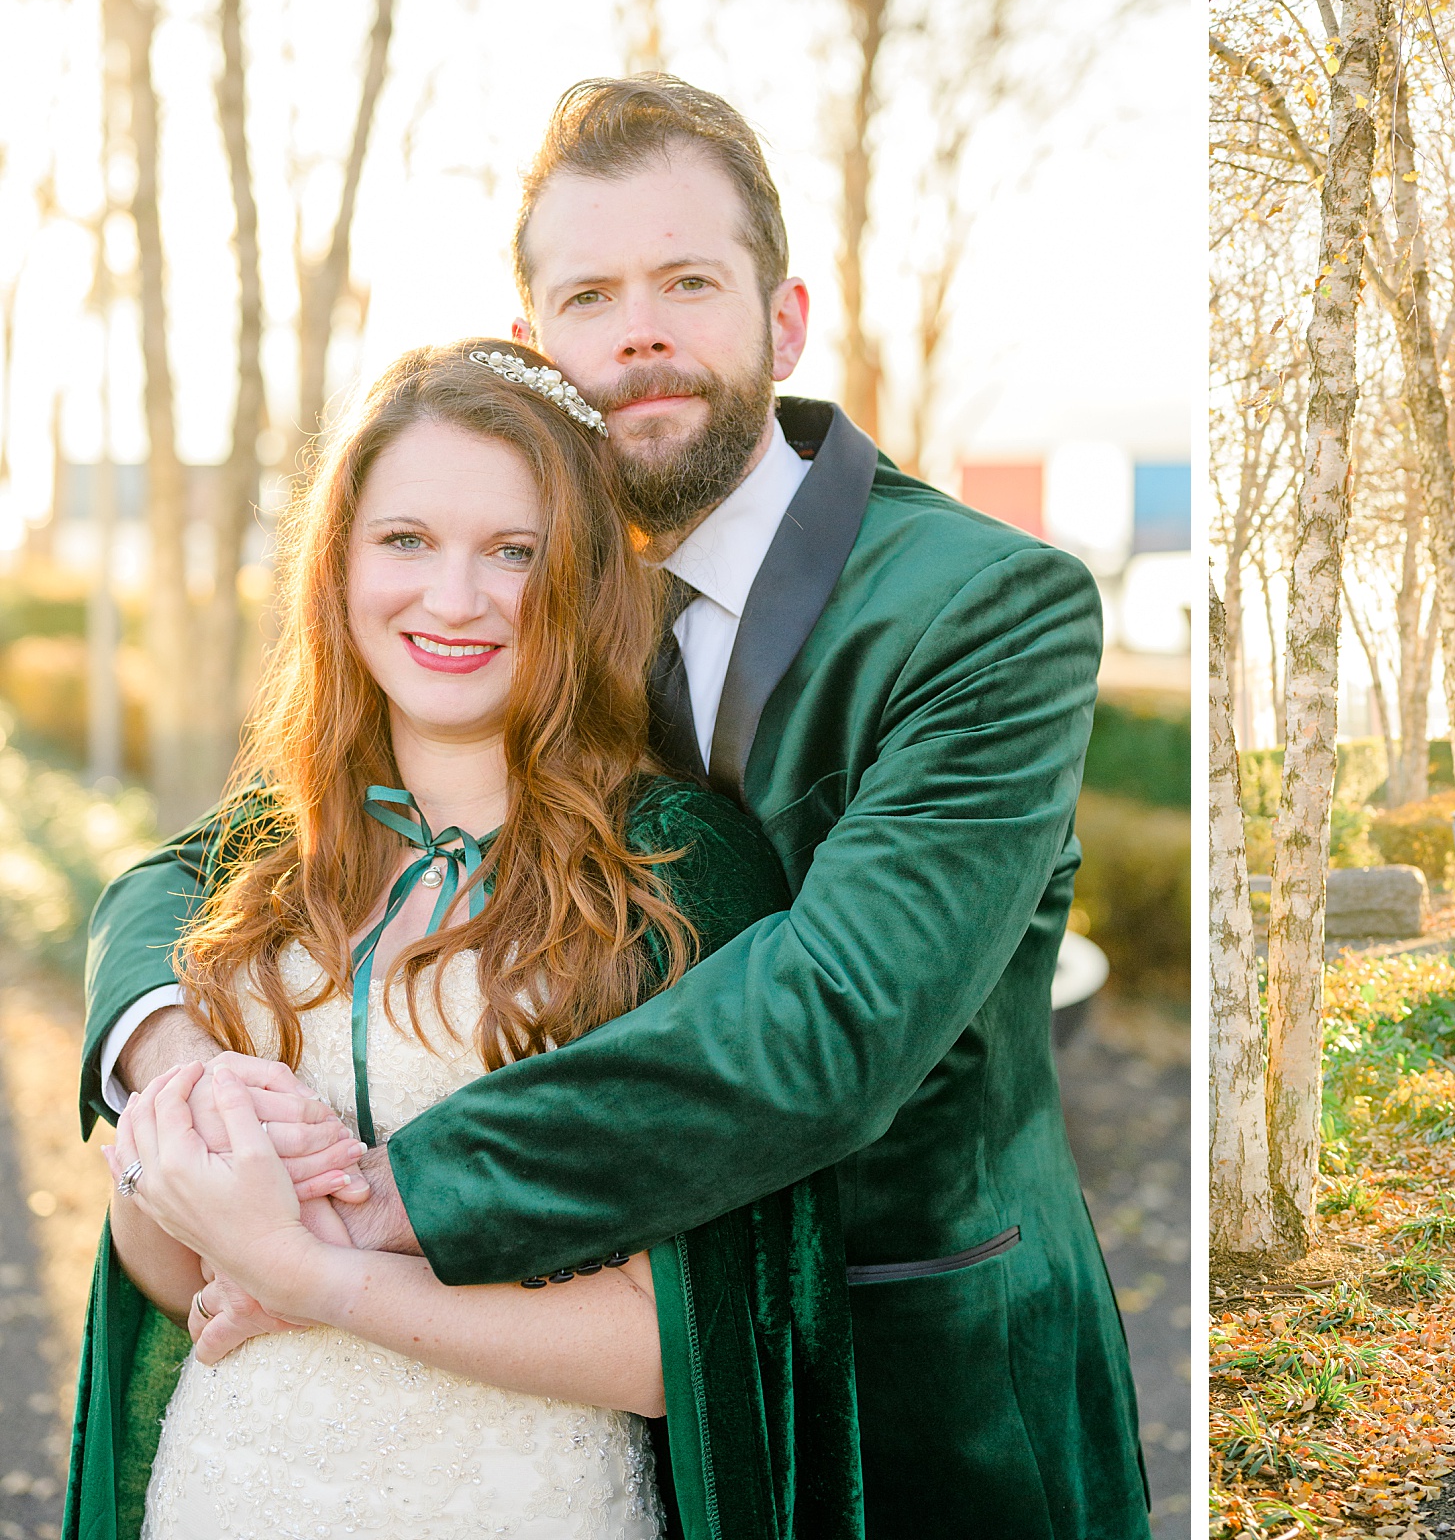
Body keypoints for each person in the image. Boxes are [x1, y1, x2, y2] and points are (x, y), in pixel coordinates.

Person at [79, 77, 1147, 1535]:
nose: (640, 331)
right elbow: (233, 855)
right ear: (542, 349)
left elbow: (831, 1017)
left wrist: (370, 1212)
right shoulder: (527, 592)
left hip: (917, 1384)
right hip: (557, 1408)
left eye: (687, 282)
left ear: (783, 318)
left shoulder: (984, 609)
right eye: (591, 294)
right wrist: (166, 1046)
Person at [65, 341, 858, 1537]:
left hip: (526, 1499)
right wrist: (176, 1156)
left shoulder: (677, 873)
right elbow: (181, 1283)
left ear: (585, 577)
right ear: (337, 565)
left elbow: (676, 1346)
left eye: (514, 552)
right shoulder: (260, 867)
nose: (452, 598)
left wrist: (323, 1280)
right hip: (232, 1489)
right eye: (405, 540)